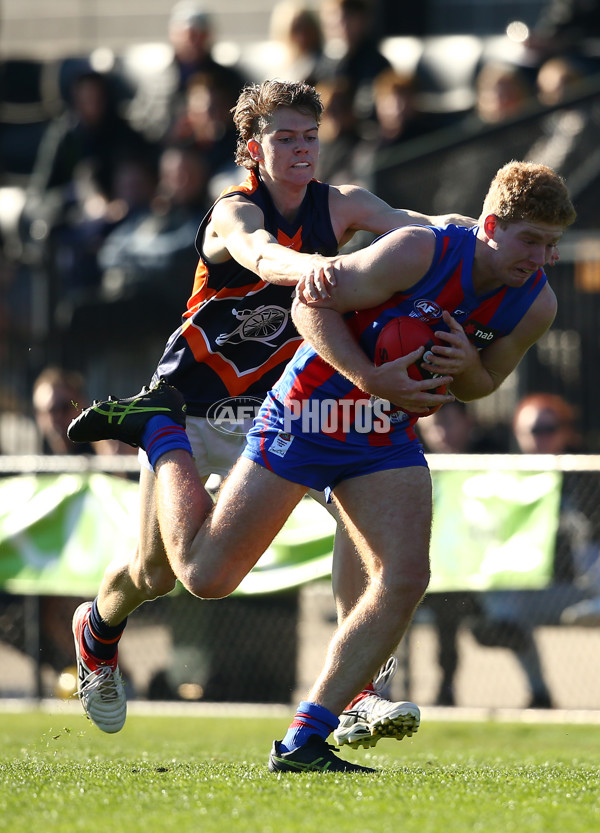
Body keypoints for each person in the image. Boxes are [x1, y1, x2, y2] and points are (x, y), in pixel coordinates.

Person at [68, 159, 576, 771]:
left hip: (382, 431)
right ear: (491, 225)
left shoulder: (536, 303)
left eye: (553, 245)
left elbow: (482, 384)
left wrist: (466, 360)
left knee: (405, 575)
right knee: (201, 576)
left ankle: (308, 736)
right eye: (532, 241)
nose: (543, 258)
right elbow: (309, 307)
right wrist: (369, 376)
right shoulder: (419, 251)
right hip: (308, 414)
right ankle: (158, 430)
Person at [63, 78, 470, 742]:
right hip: (191, 409)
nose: (303, 149)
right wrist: (325, 269)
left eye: (311, 136)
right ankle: (98, 629)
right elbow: (261, 255)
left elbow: (432, 239)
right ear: (254, 149)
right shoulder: (234, 210)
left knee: (361, 514)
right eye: (286, 138)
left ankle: (362, 687)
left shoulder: (344, 206)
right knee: (156, 572)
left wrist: (489, 247)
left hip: (283, 410)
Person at [418, 401, 554, 708]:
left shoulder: (494, 455)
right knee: (441, 619)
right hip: (444, 569)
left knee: (506, 621)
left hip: (492, 568)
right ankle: (442, 690)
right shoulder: (413, 461)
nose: (440, 432)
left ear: (468, 421)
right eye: (433, 424)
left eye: (447, 422)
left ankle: (540, 693)